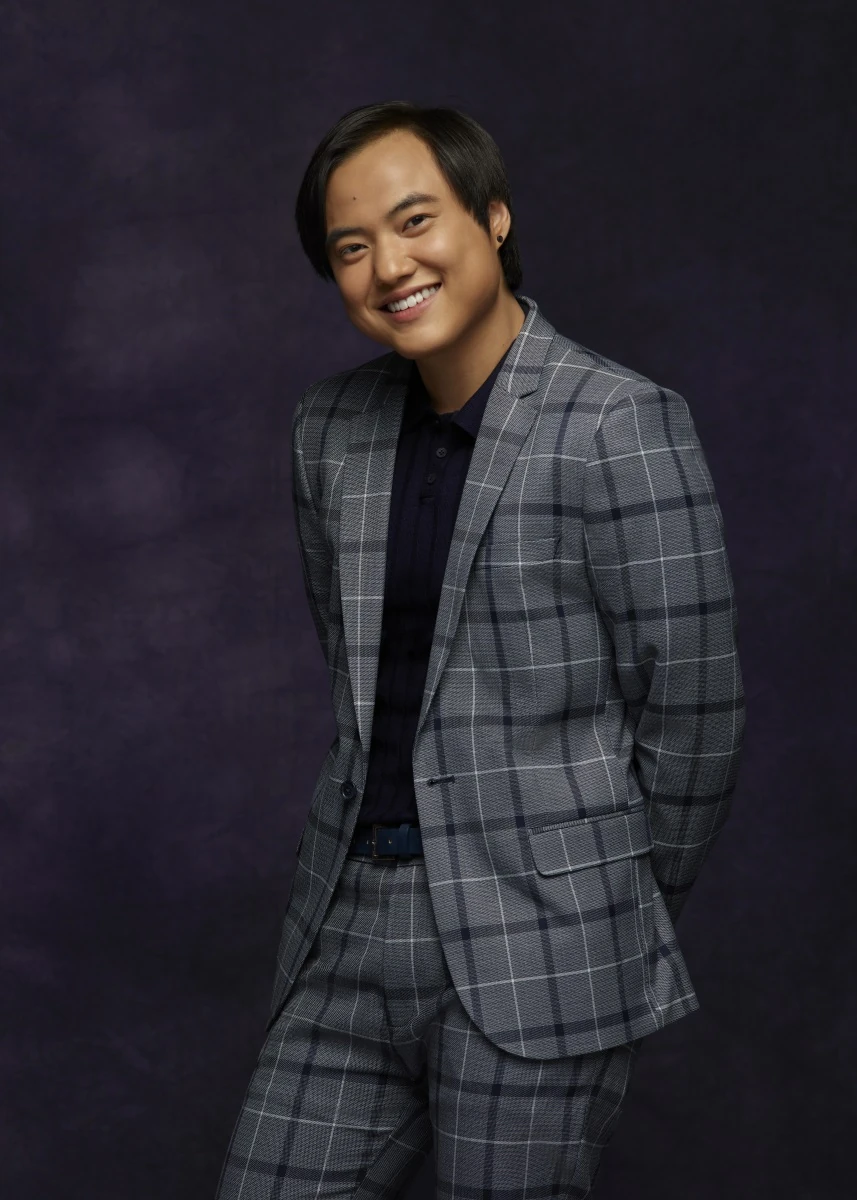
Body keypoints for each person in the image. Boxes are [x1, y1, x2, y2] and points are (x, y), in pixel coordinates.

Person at [216, 101, 745, 1199]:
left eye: (415, 222)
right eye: (350, 247)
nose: (387, 267)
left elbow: (693, 714)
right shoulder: (328, 430)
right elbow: (355, 674)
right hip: (349, 920)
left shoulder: (616, 424)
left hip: (543, 938)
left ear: (492, 217)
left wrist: (599, 902)